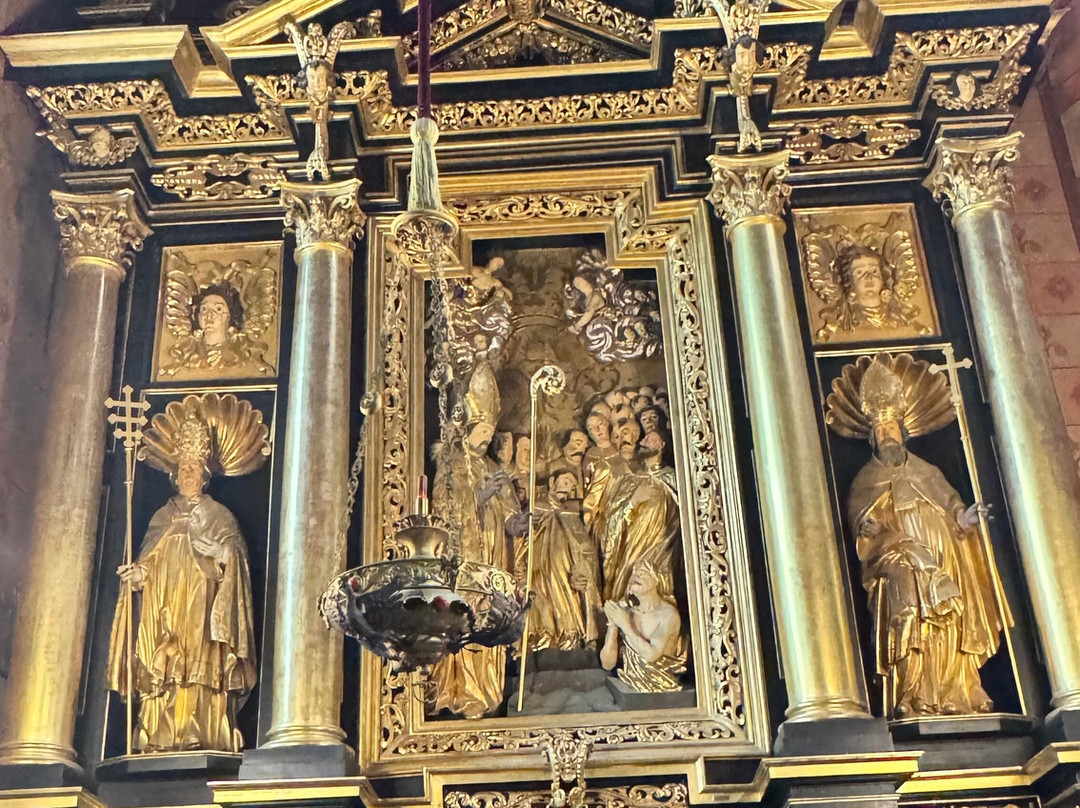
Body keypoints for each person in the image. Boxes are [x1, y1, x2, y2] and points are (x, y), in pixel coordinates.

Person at [836, 355, 1005, 718]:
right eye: (881, 430)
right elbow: (860, 524)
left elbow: (951, 504)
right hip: (899, 561)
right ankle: (912, 694)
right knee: (910, 621)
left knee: (950, 620)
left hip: (942, 557)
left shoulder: (927, 470)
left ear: (903, 431)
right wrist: (867, 530)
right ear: (872, 438)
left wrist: (965, 517)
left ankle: (959, 693)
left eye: (891, 428)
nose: (887, 434)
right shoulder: (866, 480)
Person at [107, 415, 257, 753]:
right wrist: (138, 576)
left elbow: (236, 557)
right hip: (165, 603)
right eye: (183, 469)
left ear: (204, 477)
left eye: (194, 469)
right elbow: (149, 560)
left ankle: (199, 728)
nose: (188, 474)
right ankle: (157, 733)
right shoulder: (163, 516)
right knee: (164, 660)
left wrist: (222, 553)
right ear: (175, 477)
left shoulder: (219, 515)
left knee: (198, 661)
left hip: (201, 603)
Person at [519, 469, 598, 650]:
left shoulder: (571, 515)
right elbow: (522, 540)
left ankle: (568, 636)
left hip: (565, 573)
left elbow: (584, 548)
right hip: (539, 570)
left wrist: (582, 571)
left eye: (572, 486)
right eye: (566, 482)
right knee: (541, 605)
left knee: (566, 609)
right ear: (552, 482)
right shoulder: (536, 507)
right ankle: (544, 637)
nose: (568, 488)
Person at [602, 430, 681, 602]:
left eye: (650, 438)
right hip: (632, 547)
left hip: (663, 545)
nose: (643, 442)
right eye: (643, 439)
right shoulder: (630, 480)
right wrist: (633, 501)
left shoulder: (674, 478)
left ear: (662, 445)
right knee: (628, 584)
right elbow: (612, 519)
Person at [600, 560, 686, 692]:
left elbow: (651, 655)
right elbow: (607, 664)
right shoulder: (627, 612)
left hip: (659, 686)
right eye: (634, 573)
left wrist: (624, 624)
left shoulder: (668, 615)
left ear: (657, 580)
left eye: (643, 573)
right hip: (631, 684)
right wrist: (613, 624)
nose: (637, 576)